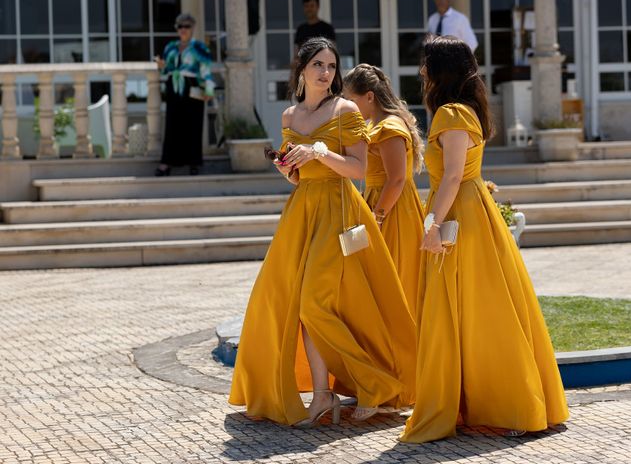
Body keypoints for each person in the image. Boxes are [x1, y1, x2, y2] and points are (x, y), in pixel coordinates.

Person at [229, 37, 416, 427]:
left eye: (331, 66)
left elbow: (358, 170)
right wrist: (288, 169)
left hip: (340, 210)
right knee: (294, 305)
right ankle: (320, 396)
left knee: (315, 302)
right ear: (301, 69)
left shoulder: (345, 109)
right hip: (303, 212)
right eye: (318, 65)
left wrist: (319, 151)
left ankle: (375, 384)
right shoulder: (288, 116)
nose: (326, 72)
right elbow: (299, 179)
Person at [400, 35, 569, 443]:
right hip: (472, 211)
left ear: (439, 70)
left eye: (426, 64)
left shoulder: (451, 113)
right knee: (481, 308)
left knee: (476, 311)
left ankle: (502, 402)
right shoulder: (463, 111)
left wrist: (430, 224)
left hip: (463, 216)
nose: (421, 72)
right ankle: (484, 400)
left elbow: (453, 176)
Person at [343, 64, 425, 316]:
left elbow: (397, 178)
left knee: (394, 276)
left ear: (369, 96)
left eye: (350, 100)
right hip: (380, 202)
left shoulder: (389, 127)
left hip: (393, 210)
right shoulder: (373, 126)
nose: (347, 106)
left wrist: (377, 216)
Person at [154, 13, 214, 176]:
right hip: (174, 87)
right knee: (172, 126)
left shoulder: (199, 47)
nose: (183, 29)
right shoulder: (170, 47)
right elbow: (167, 70)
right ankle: (166, 163)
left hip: (193, 87)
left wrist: (209, 89)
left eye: (187, 26)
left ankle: (193, 163)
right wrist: (162, 66)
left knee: (193, 126)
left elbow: (205, 69)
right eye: (180, 26)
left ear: (193, 28)